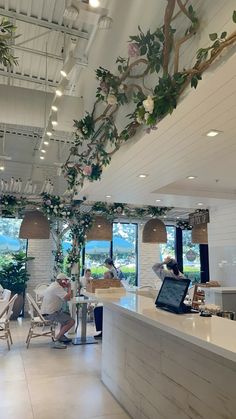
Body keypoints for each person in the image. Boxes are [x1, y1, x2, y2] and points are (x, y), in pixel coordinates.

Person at [41, 272, 75, 349]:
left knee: (66, 315)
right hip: (50, 314)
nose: (66, 282)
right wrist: (69, 287)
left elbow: (68, 296)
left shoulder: (55, 285)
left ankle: (61, 337)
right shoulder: (57, 287)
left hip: (49, 312)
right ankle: (57, 339)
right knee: (71, 321)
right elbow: (68, 297)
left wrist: (66, 288)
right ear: (60, 281)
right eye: (65, 281)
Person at [93, 271, 114, 339]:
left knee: (98, 311)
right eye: (104, 276)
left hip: (113, 306)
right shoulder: (104, 284)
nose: (105, 278)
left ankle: (103, 332)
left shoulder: (114, 283)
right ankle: (102, 331)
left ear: (111, 277)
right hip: (107, 304)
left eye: (107, 276)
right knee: (97, 310)